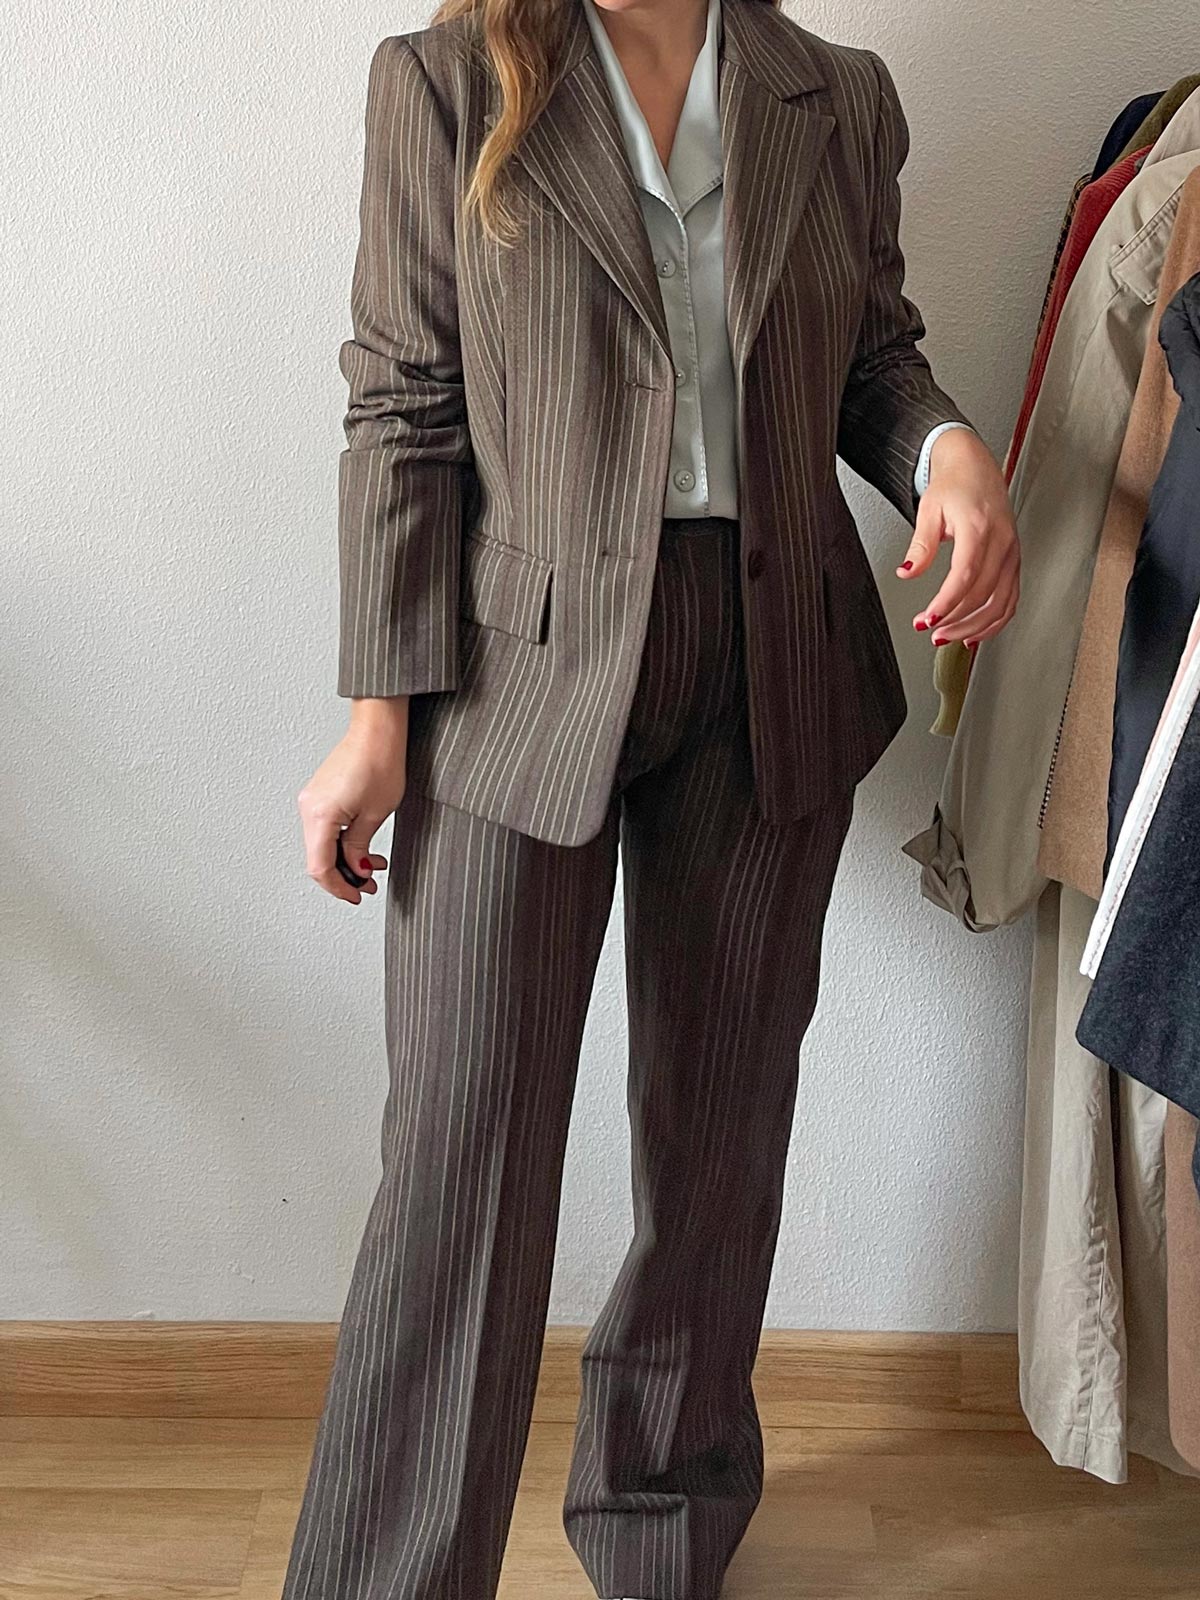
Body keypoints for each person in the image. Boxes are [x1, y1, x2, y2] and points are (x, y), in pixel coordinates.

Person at [288, 0, 1019, 1596]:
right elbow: (404, 407)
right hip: (518, 676)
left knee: (719, 1142)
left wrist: (947, 447)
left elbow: (869, 356)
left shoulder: (837, 95)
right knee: (462, 1160)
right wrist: (376, 720)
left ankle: (663, 1530)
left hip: (776, 657)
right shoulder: (444, 83)